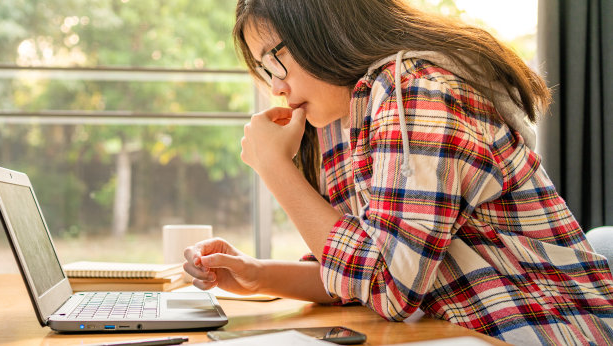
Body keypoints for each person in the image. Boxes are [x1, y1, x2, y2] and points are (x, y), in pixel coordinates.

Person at [183, 0, 613, 344]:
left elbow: (389, 287)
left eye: (274, 60)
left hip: (550, 328)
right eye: (264, 71)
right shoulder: (349, 115)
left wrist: (275, 167)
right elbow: (357, 274)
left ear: (324, 29)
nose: (275, 87)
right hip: (466, 332)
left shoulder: (416, 90)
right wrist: (257, 275)